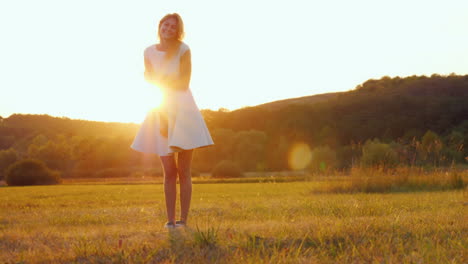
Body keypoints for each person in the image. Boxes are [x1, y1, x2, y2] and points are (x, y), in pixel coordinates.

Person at [131, 13, 214, 228]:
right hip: (159, 108)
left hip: (183, 111)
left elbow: (184, 82)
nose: (168, 29)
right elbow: (149, 78)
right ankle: (169, 221)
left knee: (184, 171)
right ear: (159, 26)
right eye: (165, 25)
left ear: (178, 31)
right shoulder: (148, 51)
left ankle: (183, 221)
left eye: (173, 27)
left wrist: (159, 81)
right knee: (169, 172)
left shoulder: (183, 49)